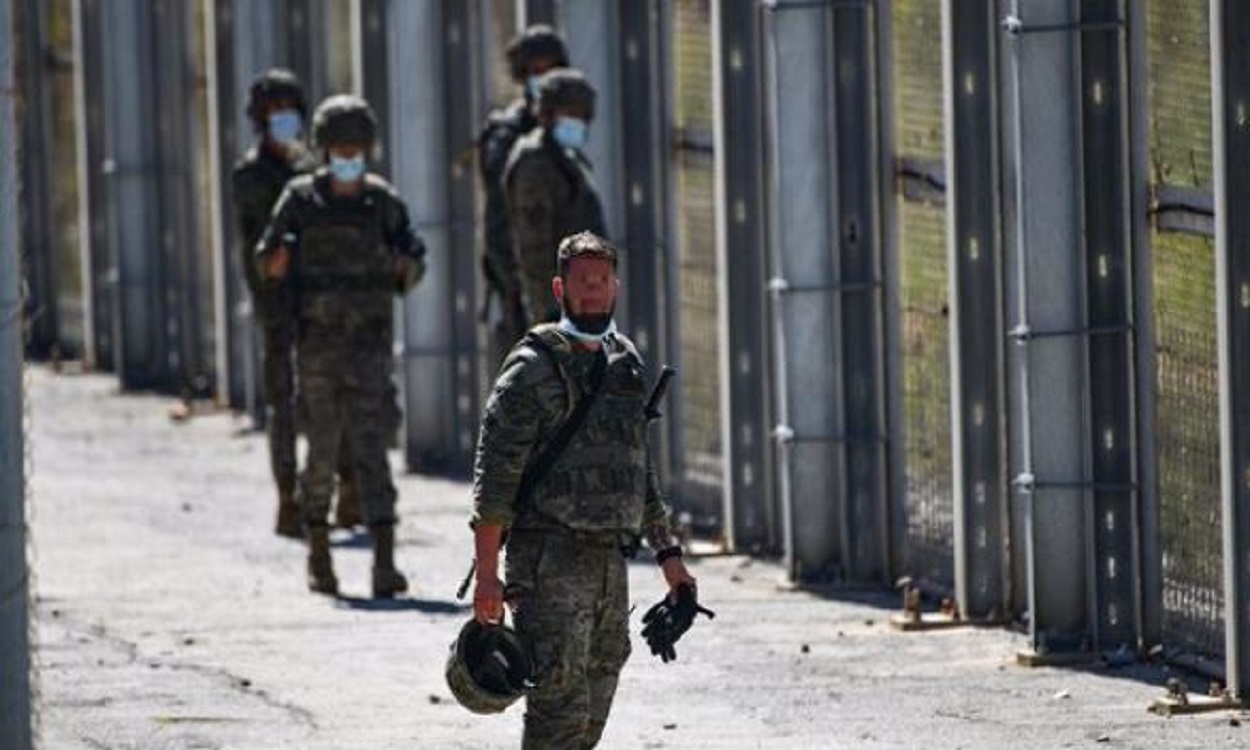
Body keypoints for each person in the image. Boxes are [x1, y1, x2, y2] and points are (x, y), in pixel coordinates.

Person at [471, 231, 696, 747]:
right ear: (560, 288)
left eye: (602, 282)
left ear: (615, 286)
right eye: (582, 283)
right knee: (557, 716)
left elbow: (639, 474)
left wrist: (671, 560)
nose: (593, 293)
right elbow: (494, 482)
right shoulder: (531, 371)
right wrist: (487, 577)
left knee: (591, 718)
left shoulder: (626, 364)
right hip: (548, 566)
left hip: (609, 568)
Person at [256, 94, 426, 598]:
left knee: (373, 450)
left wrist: (402, 265)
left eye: (357, 148)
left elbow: (414, 259)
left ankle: (384, 561)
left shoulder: (382, 201)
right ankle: (319, 556)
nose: (349, 156)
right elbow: (267, 260)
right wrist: (279, 261)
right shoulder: (301, 201)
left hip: (369, 348)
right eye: (339, 148)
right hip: (318, 349)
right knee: (323, 452)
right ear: (325, 150)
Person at [231, 69, 362, 537]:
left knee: (337, 393)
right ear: (259, 120)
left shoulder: (312, 170)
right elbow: (256, 247)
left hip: (323, 302)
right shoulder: (251, 176)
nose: (283, 119)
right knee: (285, 401)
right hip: (279, 303)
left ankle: (348, 489)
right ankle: (289, 497)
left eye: (289, 110)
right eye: (273, 112)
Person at [478, 25, 569, 363]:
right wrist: (525, 297)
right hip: (526, 301)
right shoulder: (509, 137)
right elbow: (499, 227)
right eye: (536, 72)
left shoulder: (562, 135)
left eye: (551, 69)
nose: (545, 79)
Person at [504, 68, 606, 327]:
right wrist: (552, 315)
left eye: (582, 116)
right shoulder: (535, 164)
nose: (577, 122)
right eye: (570, 114)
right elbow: (533, 249)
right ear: (548, 116)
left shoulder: (569, 160)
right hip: (557, 311)